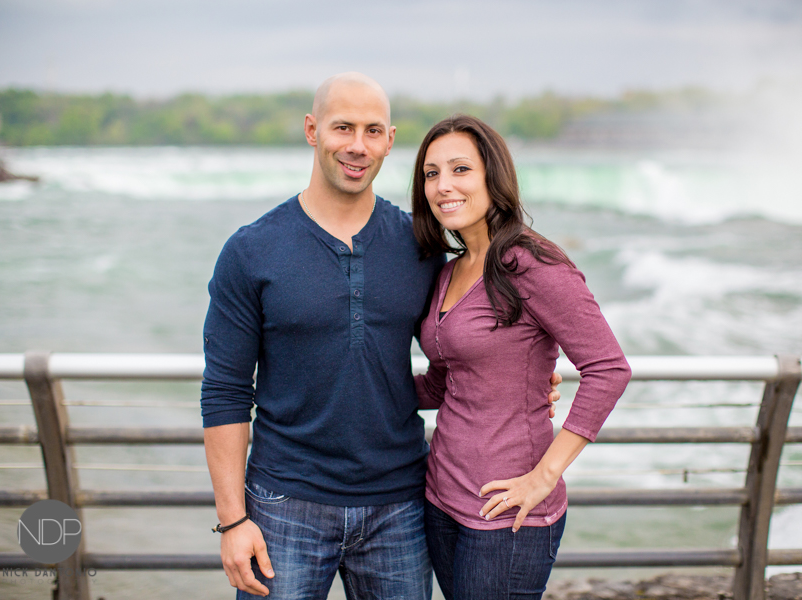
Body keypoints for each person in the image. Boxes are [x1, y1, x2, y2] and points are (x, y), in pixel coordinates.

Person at [201, 73, 563, 600]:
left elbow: (460, 351)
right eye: (342, 127)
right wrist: (233, 521)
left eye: (373, 131)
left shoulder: (421, 246)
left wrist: (524, 380)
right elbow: (226, 392)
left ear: (390, 141)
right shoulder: (251, 251)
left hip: (401, 503)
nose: (357, 146)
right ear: (311, 130)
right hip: (285, 504)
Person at [411, 115, 631, 600]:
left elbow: (608, 369)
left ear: (493, 176)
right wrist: (346, 387)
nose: (443, 185)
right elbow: (445, 382)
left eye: (460, 169)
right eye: (431, 173)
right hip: (441, 497)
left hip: (508, 514)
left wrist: (543, 477)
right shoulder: (448, 273)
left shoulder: (529, 263)